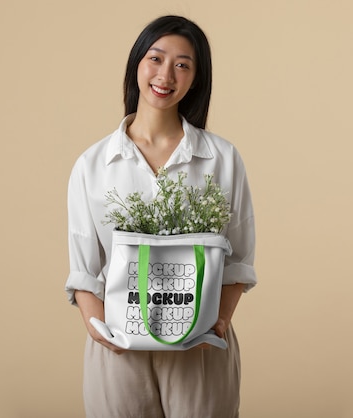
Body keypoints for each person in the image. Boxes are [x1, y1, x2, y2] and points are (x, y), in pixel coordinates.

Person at [65, 15, 257, 418]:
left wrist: (218, 321)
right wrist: (101, 331)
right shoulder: (93, 164)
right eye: (156, 58)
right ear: (137, 62)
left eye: (183, 64)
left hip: (198, 348)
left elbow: (239, 259)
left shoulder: (222, 158)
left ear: (195, 79)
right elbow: (84, 269)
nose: (166, 74)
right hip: (118, 349)